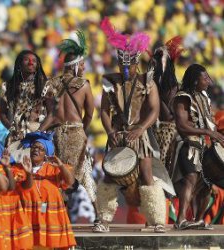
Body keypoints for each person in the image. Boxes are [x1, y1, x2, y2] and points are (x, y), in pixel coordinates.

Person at [96, 17, 166, 233]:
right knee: (110, 175)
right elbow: (104, 111)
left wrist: (141, 128)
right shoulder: (110, 81)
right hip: (118, 134)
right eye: (122, 64)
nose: (126, 68)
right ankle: (103, 219)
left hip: (140, 135)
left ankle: (156, 220)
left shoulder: (148, 81)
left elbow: (155, 110)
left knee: (146, 175)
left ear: (137, 62)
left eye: (130, 64)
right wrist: (110, 132)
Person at [39, 30, 96, 211]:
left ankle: (58, 215)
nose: (84, 67)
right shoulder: (84, 85)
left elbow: (49, 114)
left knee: (58, 174)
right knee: (84, 173)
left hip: (57, 133)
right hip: (76, 132)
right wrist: (82, 130)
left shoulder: (51, 84)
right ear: (75, 65)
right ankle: (99, 216)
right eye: (82, 63)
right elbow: (89, 113)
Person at [171, 64, 224, 230]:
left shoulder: (204, 97)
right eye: (205, 78)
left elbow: (209, 122)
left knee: (208, 182)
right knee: (191, 179)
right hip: (188, 144)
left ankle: (199, 219)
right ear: (195, 81)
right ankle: (180, 220)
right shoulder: (183, 97)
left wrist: (216, 137)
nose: (209, 81)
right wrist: (207, 131)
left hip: (203, 145)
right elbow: (181, 125)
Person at [19, 132, 76, 248]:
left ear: (46, 154)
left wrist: (60, 166)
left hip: (50, 218)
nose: (36, 150)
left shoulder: (52, 169)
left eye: (41, 149)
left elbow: (70, 182)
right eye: (34, 147)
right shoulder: (20, 168)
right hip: (28, 216)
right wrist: (28, 172)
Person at [149, 36, 183, 171]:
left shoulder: (174, 87)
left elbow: (172, 117)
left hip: (169, 133)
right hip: (150, 131)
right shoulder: (149, 84)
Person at [0, 50, 48, 146]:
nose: (31, 63)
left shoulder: (45, 85)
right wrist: (12, 129)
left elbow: (52, 113)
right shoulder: (8, 86)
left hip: (37, 138)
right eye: (26, 60)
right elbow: (2, 113)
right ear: (19, 64)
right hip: (15, 137)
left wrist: (39, 132)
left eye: (34, 61)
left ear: (38, 65)